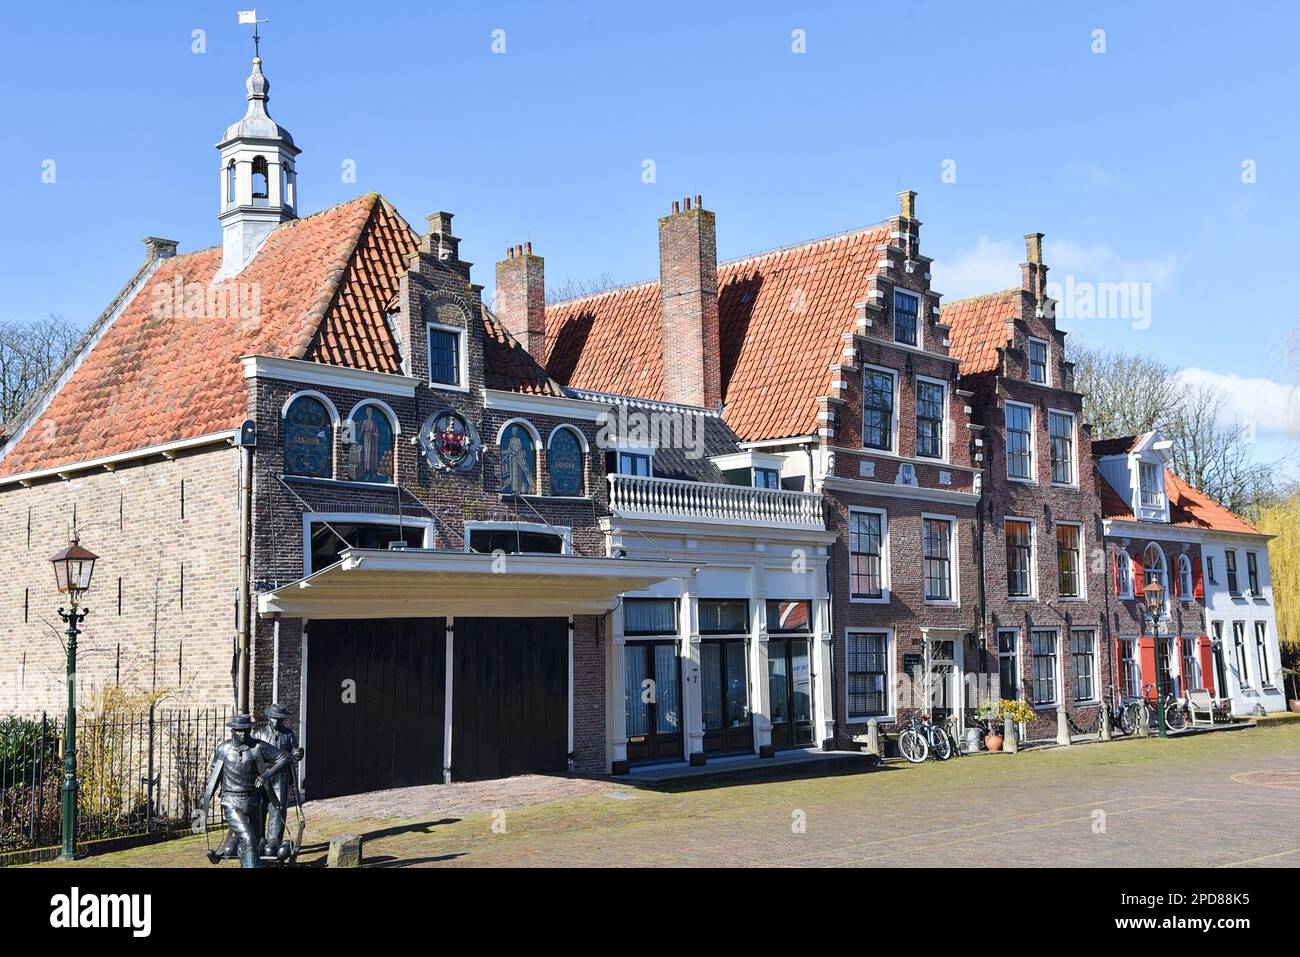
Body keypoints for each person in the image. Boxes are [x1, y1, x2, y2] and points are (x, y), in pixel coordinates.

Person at [200, 714, 291, 868]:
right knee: (247, 838)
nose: (243, 734)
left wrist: (267, 774)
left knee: (253, 842)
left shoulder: (257, 747)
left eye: (247, 731)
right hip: (231, 801)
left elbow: (285, 758)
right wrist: (206, 798)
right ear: (232, 731)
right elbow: (215, 775)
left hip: (253, 801)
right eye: (240, 731)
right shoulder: (224, 749)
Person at [254, 702, 304, 858]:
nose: (277, 722)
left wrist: (298, 753)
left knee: (278, 806)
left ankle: (274, 839)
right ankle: (259, 837)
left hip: (281, 776)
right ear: (269, 717)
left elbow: (295, 751)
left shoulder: (289, 734)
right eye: (274, 718)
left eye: (280, 719)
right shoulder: (260, 734)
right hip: (262, 774)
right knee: (260, 805)